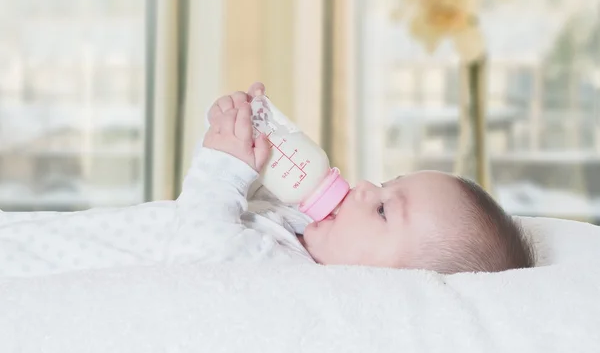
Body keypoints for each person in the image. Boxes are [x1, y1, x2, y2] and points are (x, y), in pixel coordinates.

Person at [0, 82, 534, 278]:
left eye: (383, 210)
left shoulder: (292, 277)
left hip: (41, 267)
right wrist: (254, 143)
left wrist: (223, 168)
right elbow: (235, 216)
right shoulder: (305, 236)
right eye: (387, 182)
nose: (367, 187)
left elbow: (202, 247)